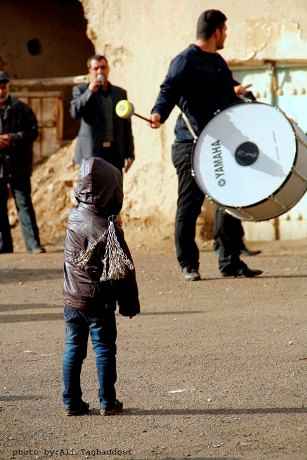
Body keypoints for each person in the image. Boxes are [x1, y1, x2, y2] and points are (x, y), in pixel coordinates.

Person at [150, 9, 262, 280]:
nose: (226, 35)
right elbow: (168, 90)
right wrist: (158, 113)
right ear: (216, 32)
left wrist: (251, 104)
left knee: (232, 200)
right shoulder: (185, 60)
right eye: (225, 30)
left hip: (219, 142)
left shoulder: (218, 63)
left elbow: (227, 100)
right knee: (190, 205)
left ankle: (230, 261)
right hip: (190, 144)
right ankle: (188, 264)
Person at [63, 157, 140, 416]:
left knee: (74, 349)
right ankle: (108, 401)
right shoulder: (108, 228)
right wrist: (129, 304)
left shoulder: (74, 217)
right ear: (111, 191)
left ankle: (71, 402)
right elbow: (124, 271)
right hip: (99, 302)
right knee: (104, 349)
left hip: (72, 299)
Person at [0, 71, 45, 254]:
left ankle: (33, 245)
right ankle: (4, 247)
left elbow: (33, 132)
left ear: (7, 87)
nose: (0, 90)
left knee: (24, 204)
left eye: (3, 86)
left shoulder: (21, 108)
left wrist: (12, 138)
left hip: (19, 165)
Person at [70, 54, 135, 173]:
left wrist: (129, 153)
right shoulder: (81, 90)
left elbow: (126, 125)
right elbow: (74, 113)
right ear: (90, 71)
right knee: (91, 191)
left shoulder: (119, 93)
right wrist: (89, 92)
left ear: (108, 69)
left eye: (103, 67)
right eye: (96, 68)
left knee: (114, 191)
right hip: (91, 155)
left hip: (115, 154)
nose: (100, 71)